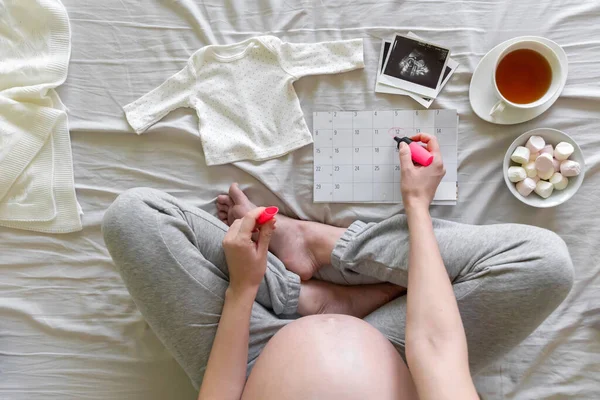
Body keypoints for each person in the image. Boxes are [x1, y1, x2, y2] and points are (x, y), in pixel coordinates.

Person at [102, 134, 573, 400]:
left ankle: (304, 292)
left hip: (248, 355)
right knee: (543, 265)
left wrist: (243, 290)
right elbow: (432, 346)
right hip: (402, 352)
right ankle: (328, 249)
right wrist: (415, 206)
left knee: (134, 218)